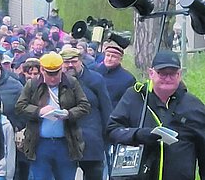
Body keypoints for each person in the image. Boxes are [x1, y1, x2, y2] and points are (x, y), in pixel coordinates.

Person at [108, 50, 205, 179]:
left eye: (173, 74)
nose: (168, 78)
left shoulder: (193, 105)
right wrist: (138, 134)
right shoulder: (134, 97)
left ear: (179, 74)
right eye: (162, 73)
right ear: (151, 73)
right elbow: (112, 131)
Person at [15, 52, 90, 180]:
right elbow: (20, 107)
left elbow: (85, 106)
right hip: (40, 143)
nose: (53, 78)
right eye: (49, 74)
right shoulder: (32, 84)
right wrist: (39, 111)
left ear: (61, 69)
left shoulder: (71, 83)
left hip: (66, 143)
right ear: (42, 70)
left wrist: (69, 113)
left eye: (56, 73)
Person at [61, 48, 111, 180]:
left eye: (73, 61)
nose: (70, 65)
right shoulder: (58, 81)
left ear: (81, 62)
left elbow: (106, 109)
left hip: (92, 140)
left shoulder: (96, 80)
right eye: (66, 62)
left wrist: (108, 135)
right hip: (66, 139)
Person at [94, 40, 135, 108]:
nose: (109, 59)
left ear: (120, 59)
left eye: (113, 56)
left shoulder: (128, 79)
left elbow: (129, 103)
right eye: (108, 55)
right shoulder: (94, 72)